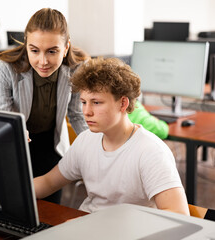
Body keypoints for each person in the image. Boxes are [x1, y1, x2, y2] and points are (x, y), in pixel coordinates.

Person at [34, 57, 189, 215]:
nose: (86, 112)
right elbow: (48, 182)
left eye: (96, 102)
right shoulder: (85, 140)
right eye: (83, 102)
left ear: (123, 103)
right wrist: (13, 194)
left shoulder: (151, 151)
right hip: (88, 226)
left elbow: (179, 214)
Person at [0, 8, 89, 204]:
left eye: (52, 51)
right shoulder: (5, 66)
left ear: (66, 47)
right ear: (26, 44)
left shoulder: (78, 67)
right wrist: (16, 129)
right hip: (16, 142)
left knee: (50, 211)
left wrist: (97, 145)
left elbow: (76, 114)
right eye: (34, 50)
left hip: (51, 144)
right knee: (16, 206)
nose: (43, 61)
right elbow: (2, 112)